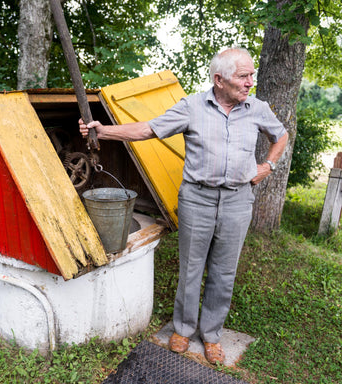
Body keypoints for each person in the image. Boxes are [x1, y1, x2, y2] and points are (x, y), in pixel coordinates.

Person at [79, 47, 288, 365]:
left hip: (237, 200)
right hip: (197, 199)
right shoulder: (192, 107)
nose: (250, 82)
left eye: (251, 75)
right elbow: (147, 129)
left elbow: (281, 136)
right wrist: (103, 131)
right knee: (191, 268)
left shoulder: (256, 108)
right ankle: (183, 329)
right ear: (219, 80)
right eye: (243, 76)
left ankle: (213, 335)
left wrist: (267, 167)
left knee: (224, 271)